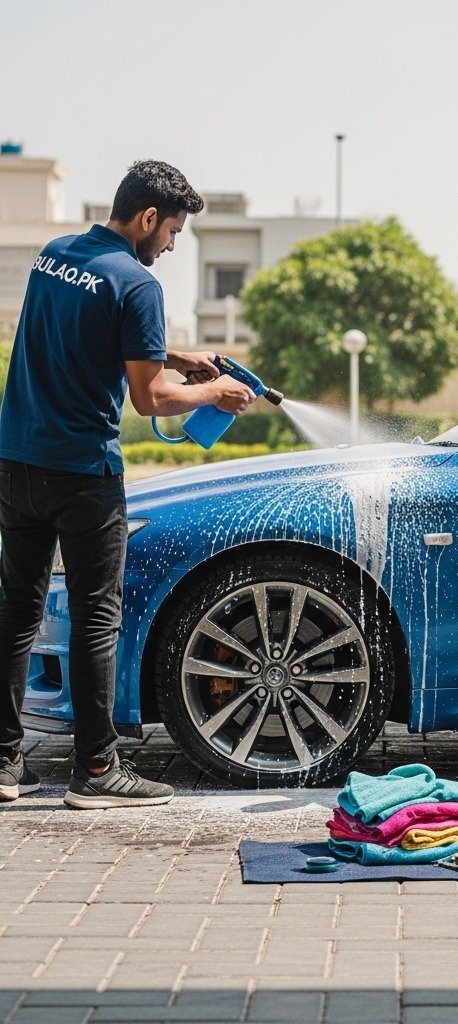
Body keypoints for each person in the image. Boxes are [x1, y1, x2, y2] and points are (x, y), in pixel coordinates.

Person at [0, 160, 256, 808]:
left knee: (17, 611)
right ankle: (95, 772)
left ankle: (3, 767)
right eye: (171, 232)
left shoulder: (55, 256)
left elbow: (82, 331)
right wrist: (213, 390)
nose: (170, 245)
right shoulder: (139, 285)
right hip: (83, 475)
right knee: (96, 617)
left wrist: (175, 352)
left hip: (15, 463)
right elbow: (149, 399)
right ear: (147, 219)